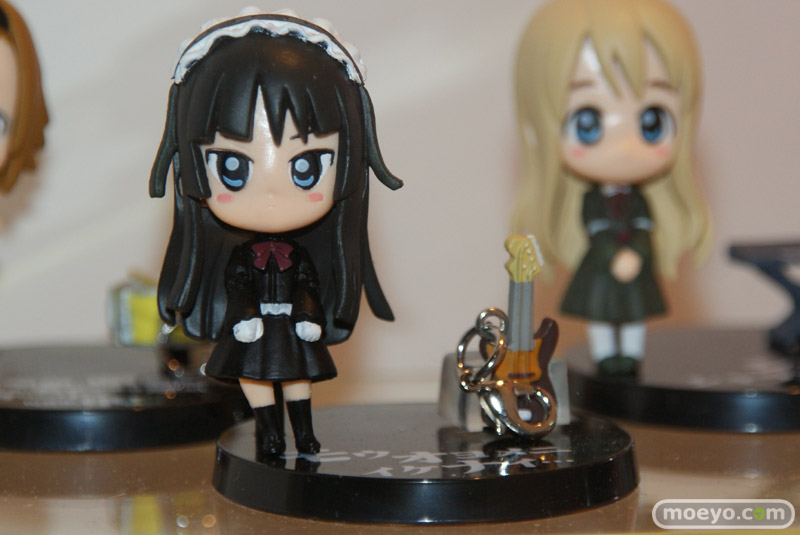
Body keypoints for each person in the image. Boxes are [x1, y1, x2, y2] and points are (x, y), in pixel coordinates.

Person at [150, 11, 402, 454]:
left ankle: (303, 432)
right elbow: (237, 285)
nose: (270, 194)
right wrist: (244, 315)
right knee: (253, 378)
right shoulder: (239, 257)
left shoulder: (300, 256)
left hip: (291, 328)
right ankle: (268, 432)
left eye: (306, 167)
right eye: (232, 166)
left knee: (299, 378)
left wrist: (307, 314)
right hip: (251, 330)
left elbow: (306, 284)